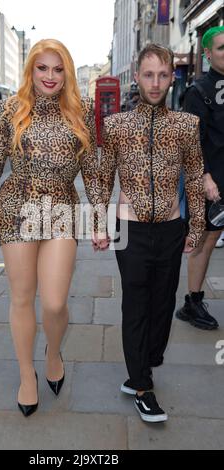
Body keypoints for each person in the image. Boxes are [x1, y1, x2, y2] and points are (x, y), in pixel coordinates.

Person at [0, 39, 107, 417]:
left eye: (58, 69)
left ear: (68, 74)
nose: (50, 76)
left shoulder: (81, 110)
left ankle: (53, 351)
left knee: (56, 301)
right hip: (17, 208)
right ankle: (27, 375)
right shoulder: (12, 109)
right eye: (42, 68)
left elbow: (91, 170)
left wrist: (99, 219)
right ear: (31, 70)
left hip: (61, 209)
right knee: (23, 297)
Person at [100, 44, 205, 423]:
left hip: (172, 227)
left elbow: (194, 176)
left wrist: (195, 225)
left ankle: (144, 363)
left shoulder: (186, 125)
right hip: (130, 228)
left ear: (171, 77)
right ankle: (143, 386)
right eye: (149, 74)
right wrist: (98, 222)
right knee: (136, 302)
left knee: (163, 305)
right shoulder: (116, 126)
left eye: (162, 75)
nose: (156, 82)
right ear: (137, 76)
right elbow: (101, 178)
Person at [176, 26, 224, 330]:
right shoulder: (198, 91)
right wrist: (205, 178)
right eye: (221, 48)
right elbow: (192, 141)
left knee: (214, 237)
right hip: (212, 181)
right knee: (204, 241)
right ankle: (191, 302)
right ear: (207, 54)